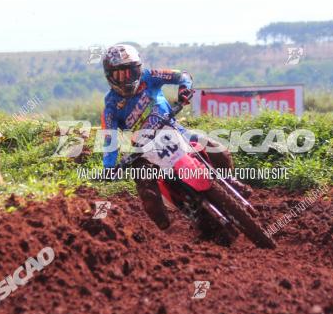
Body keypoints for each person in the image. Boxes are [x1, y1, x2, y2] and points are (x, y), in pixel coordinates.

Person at [99, 44, 241, 230]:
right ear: (110, 76)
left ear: (139, 69)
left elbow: (182, 75)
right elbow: (110, 140)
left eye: (130, 71)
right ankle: (166, 230)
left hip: (173, 129)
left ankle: (230, 180)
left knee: (215, 147)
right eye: (120, 74)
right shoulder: (110, 107)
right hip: (143, 151)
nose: (126, 78)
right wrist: (109, 167)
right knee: (146, 190)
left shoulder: (150, 76)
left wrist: (184, 90)